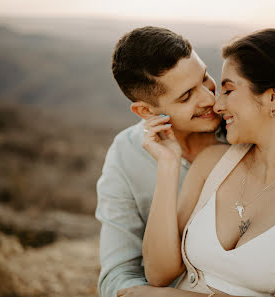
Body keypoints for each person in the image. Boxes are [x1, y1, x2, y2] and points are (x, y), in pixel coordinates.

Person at [118, 29, 275, 297]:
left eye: (227, 90)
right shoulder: (212, 163)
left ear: (273, 97)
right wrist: (168, 165)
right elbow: (159, 274)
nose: (216, 105)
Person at [95, 26, 228, 297]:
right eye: (186, 96)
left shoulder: (243, 130)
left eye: (205, 77)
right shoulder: (125, 154)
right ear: (145, 110)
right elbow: (117, 275)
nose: (209, 98)